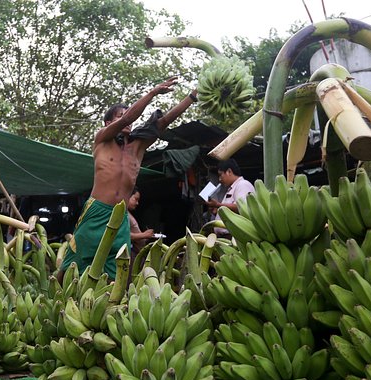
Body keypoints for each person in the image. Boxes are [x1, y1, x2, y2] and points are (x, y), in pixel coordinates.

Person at [59, 76, 198, 281]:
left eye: (127, 116)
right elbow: (127, 120)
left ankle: (113, 305)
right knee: (76, 259)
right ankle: (57, 294)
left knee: (118, 265)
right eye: (120, 116)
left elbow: (164, 122)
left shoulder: (137, 147)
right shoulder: (102, 140)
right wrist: (152, 93)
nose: (127, 121)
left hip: (120, 215)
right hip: (97, 210)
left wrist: (192, 98)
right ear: (108, 123)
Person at [206, 158, 255, 238]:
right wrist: (216, 211)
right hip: (225, 237)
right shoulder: (232, 188)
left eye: (220, 175)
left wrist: (218, 204)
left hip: (234, 237)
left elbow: (242, 208)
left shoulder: (243, 185)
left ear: (229, 171)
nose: (220, 179)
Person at [127, 186, 154, 263]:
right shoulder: (122, 214)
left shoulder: (128, 214)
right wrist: (144, 235)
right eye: (136, 199)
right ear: (127, 196)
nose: (137, 203)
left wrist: (145, 236)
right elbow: (124, 234)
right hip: (131, 252)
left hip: (137, 253)